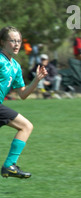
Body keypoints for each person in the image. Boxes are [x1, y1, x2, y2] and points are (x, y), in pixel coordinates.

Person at [0, 26, 48, 179]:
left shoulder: (15, 66)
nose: (16, 44)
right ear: (2, 42)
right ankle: (9, 166)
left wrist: (36, 80)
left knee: (26, 126)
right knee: (26, 126)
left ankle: (9, 166)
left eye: (19, 41)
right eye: (12, 41)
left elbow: (23, 94)